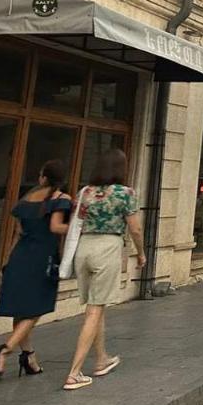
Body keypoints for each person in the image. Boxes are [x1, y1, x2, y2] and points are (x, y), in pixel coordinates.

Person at [63, 149, 145, 391]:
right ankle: (74, 373)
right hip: (107, 247)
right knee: (94, 310)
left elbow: (76, 220)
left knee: (96, 307)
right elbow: (135, 228)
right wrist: (140, 253)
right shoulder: (125, 193)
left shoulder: (84, 192)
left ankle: (101, 359)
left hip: (84, 247)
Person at [0, 160, 72, 379]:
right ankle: (5, 350)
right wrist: (78, 227)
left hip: (19, 257)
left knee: (21, 310)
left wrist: (6, 261)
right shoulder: (61, 200)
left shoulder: (26, 200)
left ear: (43, 177)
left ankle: (29, 357)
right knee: (36, 308)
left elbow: (18, 233)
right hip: (41, 258)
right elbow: (55, 227)